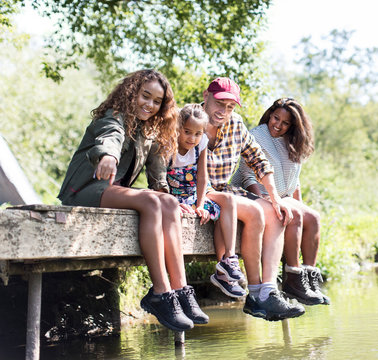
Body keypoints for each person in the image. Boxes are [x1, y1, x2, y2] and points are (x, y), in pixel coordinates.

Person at [57, 69, 208, 332]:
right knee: (150, 203)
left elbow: (157, 176)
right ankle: (160, 294)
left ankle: (181, 290)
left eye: (156, 101)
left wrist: (170, 198)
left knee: (168, 202)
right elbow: (110, 137)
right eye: (145, 96)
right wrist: (108, 156)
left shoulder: (150, 131)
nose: (149, 105)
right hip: (84, 190)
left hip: (110, 192)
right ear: (131, 94)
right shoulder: (114, 116)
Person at [202, 77, 305, 321]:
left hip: (223, 189)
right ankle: (255, 292)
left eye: (230, 107)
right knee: (257, 211)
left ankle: (266, 292)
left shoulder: (236, 125)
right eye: (220, 103)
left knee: (274, 211)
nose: (223, 111)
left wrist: (275, 198)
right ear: (206, 95)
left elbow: (259, 161)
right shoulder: (189, 119)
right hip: (196, 191)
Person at [231, 98, 330, 306]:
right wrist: (265, 198)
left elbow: (294, 182)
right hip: (254, 193)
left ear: (293, 126)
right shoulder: (257, 135)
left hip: (282, 196)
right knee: (294, 214)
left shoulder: (293, 143)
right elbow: (247, 175)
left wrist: (301, 206)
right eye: (276, 118)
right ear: (269, 114)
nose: (278, 125)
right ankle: (293, 277)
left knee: (313, 216)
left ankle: (309, 278)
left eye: (285, 123)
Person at [167, 103, 246, 298]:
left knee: (228, 201)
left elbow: (202, 177)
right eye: (187, 132)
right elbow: (159, 179)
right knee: (213, 207)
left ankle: (228, 259)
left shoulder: (201, 143)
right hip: (174, 196)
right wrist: (176, 203)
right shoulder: (168, 145)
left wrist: (200, 205)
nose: (192, 138)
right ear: (177, 128)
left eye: (197, 133)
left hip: (198, 192)